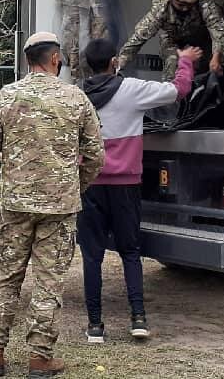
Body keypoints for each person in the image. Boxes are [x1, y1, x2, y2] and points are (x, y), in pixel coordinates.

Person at [0, 32, 105, 377]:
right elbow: (95, 154)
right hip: (59, 207)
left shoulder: (5, 97)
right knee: (49, 281)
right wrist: (75, 188)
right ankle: (40, 358)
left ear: (28, 60)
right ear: (56, 58)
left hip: (16, 204)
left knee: (6, 278)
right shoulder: (75, 98)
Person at [79, 39, 201, 343]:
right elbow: (178, 90)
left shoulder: (76, 96)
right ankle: (138, 318)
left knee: (91, 256)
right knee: (130, 252)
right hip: (125, 186)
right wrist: (185, 60)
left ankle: (95, 325)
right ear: (113, 62)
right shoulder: (131, 89)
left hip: (89, 186)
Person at [118, 0, 224, 108]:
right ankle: (171, 111)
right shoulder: (161, 9)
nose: (185, 8)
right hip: (174, 40)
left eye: (189, 5)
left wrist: (216, 57)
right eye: (181, 5)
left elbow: (217, 27)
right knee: (173, 67)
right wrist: (120, 63)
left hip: (204, 37)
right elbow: (139, 38)